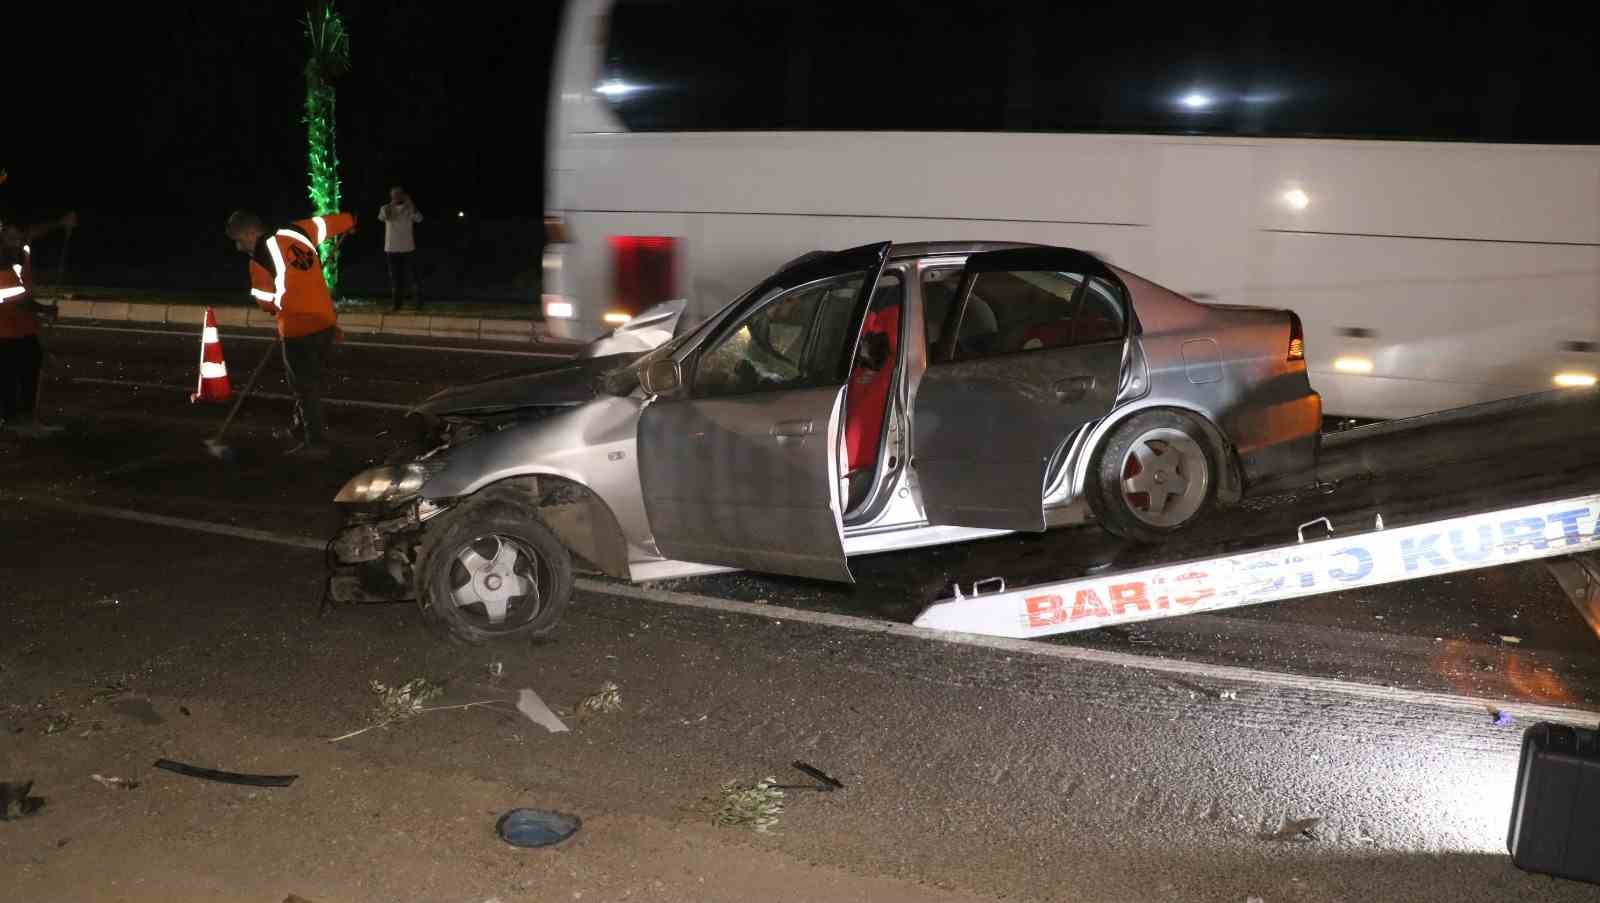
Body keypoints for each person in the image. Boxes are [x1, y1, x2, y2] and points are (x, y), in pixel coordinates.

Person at [225, 209, 356, 456]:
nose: (238, 247)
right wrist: (350, 224)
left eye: (239, 240)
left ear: (252, 233)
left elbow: (266, 302)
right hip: (325, 321)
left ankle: (315, 443)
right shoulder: (298, 230)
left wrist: (279, 305)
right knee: (311, 380)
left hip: (298, 328)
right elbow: (336, 222)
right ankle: (300, 428)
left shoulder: (259, 260)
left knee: (305, 387)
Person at [0, 211, 77, 436]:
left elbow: (32, 232)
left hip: (22, 328)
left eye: (19, 236)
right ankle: (16, 417)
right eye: (11, 236)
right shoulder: (2, 263)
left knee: (27, 368)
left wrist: (61, 223)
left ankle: (18, 416)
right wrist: (45, 310)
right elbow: (17, 302)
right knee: (15, 374)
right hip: (6, 331)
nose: (18, 239)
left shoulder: (19, 249)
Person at [378, 186, 422, 311]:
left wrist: (410, 203)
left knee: (413, 277)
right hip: (391, 248)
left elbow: (419, 219)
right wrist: (391, 205)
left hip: (408, 248)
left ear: (403, 195)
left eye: (398, 194)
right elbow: (383, 217)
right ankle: (396, 304)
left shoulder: (409, 208)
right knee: (395, 278)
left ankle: (418, 303)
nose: (396, 196)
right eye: (393, 194)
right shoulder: (386, 208)